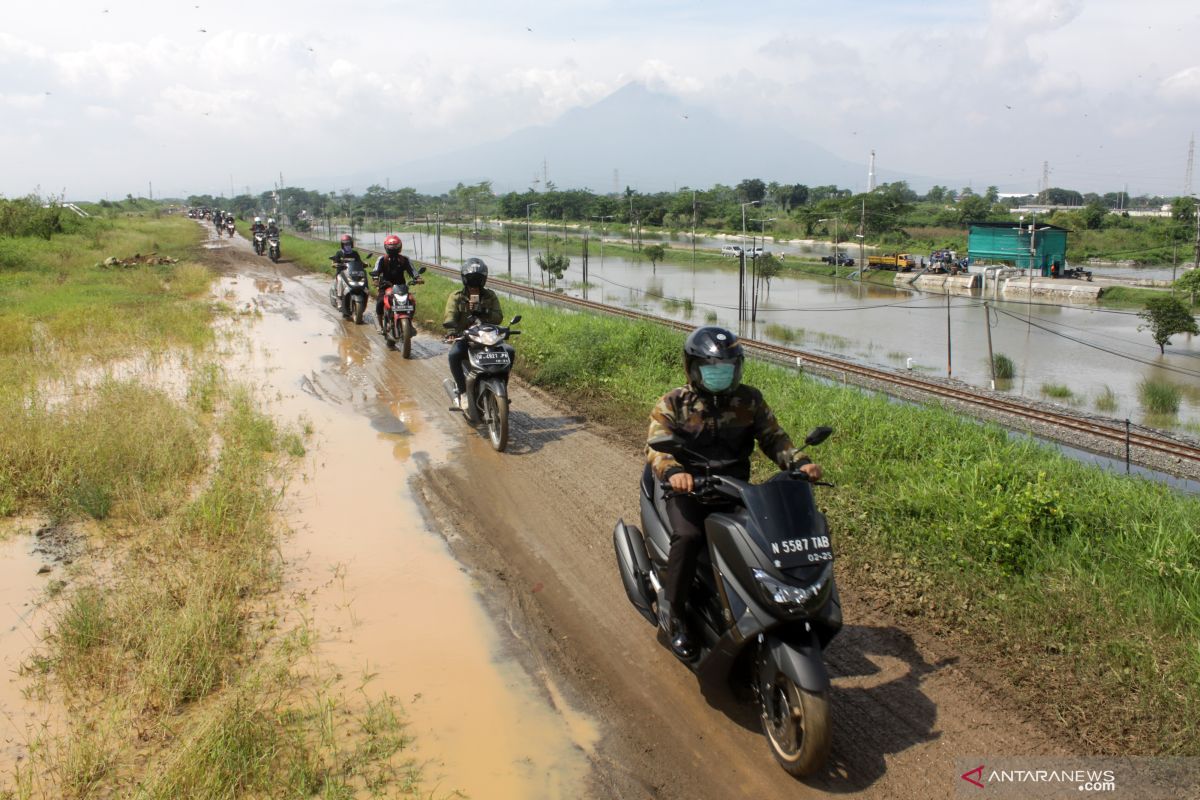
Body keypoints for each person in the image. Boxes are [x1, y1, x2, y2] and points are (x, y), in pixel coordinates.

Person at [646, 326, 822, 661]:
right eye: (712, 371)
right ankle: (673, 615)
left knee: (766, 540)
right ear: (694, 369)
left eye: (725, 370)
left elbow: (774, 438)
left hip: (737, 489)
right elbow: (656, 445)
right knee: (689, 536)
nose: (719, 377)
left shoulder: (749, 400)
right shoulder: (675, 402)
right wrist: (674, 471)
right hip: (690, 489)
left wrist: (799, 462)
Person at [443, 257, 502, 410]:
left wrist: (483, 310)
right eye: (471, 280)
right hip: (465, 337)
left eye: (478, 280)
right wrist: (451, 331)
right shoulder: (456, 297)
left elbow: (498, 318)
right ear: (465, 280)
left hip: (487, 337)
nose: (474, 285)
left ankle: (501, 386)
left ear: (483, 280)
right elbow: (450, 316)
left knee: (509, 352)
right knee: (454, 355)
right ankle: (463, 392)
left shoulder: (490, 296)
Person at [371, 234, 419, 333]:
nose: (393, 249)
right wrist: (375, 279)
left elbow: (412, 270)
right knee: (380, 302)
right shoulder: (382, 259)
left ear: (399, 247)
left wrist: (417, 278)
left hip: (401, 287)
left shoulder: (404, 259)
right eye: (390, 247)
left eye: (395, 247)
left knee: (411, 302)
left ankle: (409, 323)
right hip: (385, 286)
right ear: (386, 247)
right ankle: (380, 325)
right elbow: (376, 271)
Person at [331, 234, 371, 313]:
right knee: (339, 280)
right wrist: (335, 264)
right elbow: (334, 262)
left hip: (353, 273)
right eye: (345, 244)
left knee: (363, 281)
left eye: (348, 244)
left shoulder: (355, 253)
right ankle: (339, 301)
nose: (347, 245)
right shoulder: (339, 253)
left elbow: (360, 262)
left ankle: (364, 295)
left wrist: (365, 264)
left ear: (351, 244)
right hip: (342, 273)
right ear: (342, 245)